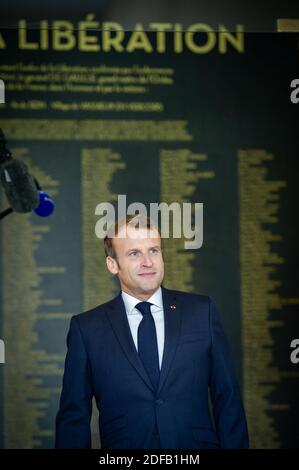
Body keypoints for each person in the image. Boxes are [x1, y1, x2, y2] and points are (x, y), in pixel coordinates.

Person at [55, 215, 249, 449]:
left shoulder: (201, 311)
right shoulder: (86, 329)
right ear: (112, 264)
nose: (148, 262)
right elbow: (73, 420)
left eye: (154, 251)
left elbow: (227, 399)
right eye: (134, 253)